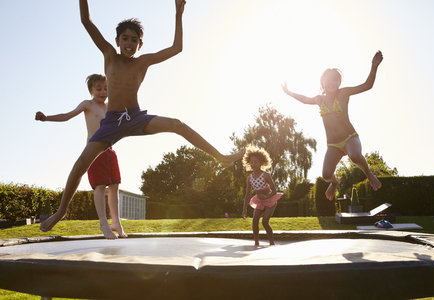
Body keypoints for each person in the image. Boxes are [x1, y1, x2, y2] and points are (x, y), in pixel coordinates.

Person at [39, 0, 244, 232]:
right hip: (112, 121)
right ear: (117, 42)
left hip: (135, 117)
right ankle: (62, 211)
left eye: (134, 40)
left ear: (140, 44)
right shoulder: (109, 55)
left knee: (177, 124)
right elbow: (86, 21)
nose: (129, 43)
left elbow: (176, 48)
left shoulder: (143, 61)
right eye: (125, 39)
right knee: (79, 165)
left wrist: (178, 14)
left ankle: (221, 157)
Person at [281, 51, 384, 200]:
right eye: (327, 80)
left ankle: (368, 172)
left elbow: (367, 85)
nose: (331, 83)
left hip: (350, 138)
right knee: (326, 175)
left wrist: (374, 67)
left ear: (339, 83)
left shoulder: (343, 94)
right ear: (322, 83)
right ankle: (335, 183)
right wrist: (288, 92)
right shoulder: (319, 99)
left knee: (355, 156)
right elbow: (304, 99)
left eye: (335, 80)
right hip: (333, 145)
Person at [36, 74, 127, 239]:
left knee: (114, 186)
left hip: (110, 151)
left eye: (106, 88)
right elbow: (67, 115)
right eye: (99, 89)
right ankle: (103, 223)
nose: (103, 92)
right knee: (100, 186)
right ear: (91, 90)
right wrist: (46, 118)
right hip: (94, 152)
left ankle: (116, 221)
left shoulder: (110, 107)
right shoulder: (88, 104)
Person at [242, 145, 283, 246]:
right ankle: (256, 243)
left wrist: (266, 197)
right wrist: (244, 208)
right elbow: (248, 194)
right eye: (251, 162)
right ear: (249, 163)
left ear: (261, 162)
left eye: (256, 161)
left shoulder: (266, 175)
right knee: (255, 220)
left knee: (265, 222)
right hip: (260, 201)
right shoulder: (249, 178)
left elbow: (274, 190)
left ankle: (272, 243)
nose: (253, 164)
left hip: (270, 200)